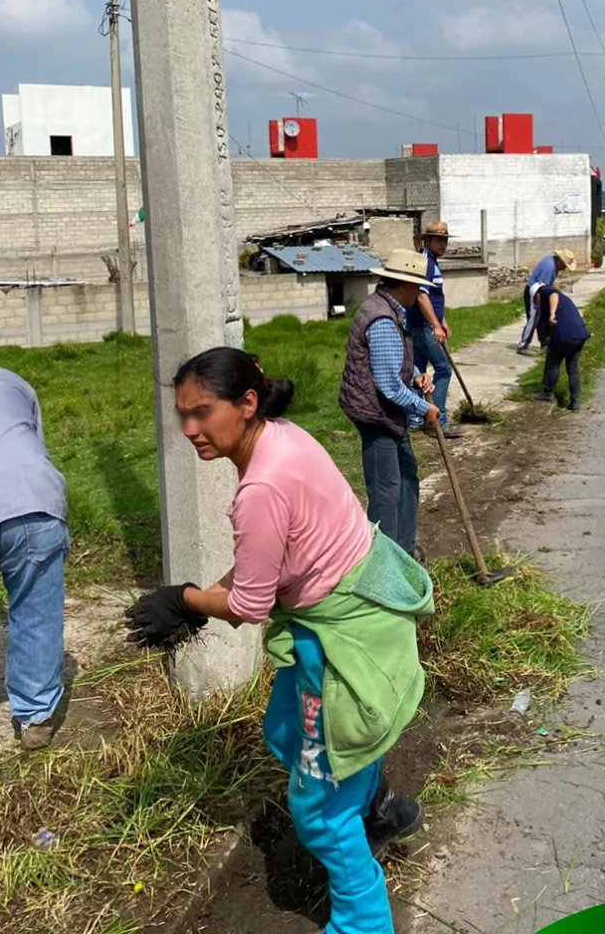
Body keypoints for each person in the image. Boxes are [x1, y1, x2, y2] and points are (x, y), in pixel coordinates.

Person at [125, 347, 433, 934]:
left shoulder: (261, 486)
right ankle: (378, 809)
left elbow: (248, 603)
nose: (190, 429)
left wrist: (186, 599)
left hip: (338, 643)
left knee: (316, 812)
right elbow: (260, 566)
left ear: (245, 403)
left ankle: (363, 922)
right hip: (364, 609)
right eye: (182, 415)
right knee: (288, 730)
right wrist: (194, 596)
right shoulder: (284, 437)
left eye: (202, 413)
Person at [0, 365, 70, 751]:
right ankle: (36, 719)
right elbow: (32, 444)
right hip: (35, 499)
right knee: (35, 612)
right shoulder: (11, 381)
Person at [339, 249, 439, 561]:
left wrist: (419, 377)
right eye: (419, 287)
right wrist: (426, 409)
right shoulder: (382, 318)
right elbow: (388, 385)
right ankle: (381, 564)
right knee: (386, 490)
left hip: (387, 412)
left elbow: (396, 366)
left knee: (407, 476)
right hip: (376, 414)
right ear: (406, 285)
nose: (420, 293)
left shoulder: (391, 309)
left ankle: (404, 550)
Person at [407, 221, 462, 441]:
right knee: (443, 369)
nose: (443, 244)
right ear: (427, 240)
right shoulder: (426, 262)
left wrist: (442, 319)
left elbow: (434, 297)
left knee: (419, 371)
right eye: (438, 240)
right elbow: (421, 296)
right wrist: (436, 325)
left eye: (445, 240)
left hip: (422, 325)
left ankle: (415, 419)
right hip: (423, 326)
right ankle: (437, 420)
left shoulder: (428, 260)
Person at [534, 284, 590, 411]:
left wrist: (552, 314)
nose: (536, 304)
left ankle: (548, 393)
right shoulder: (566, 301)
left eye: (535, 300)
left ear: (537, 294)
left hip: (565, 335)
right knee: (572, 368)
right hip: (580, 334)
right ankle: (575, 402)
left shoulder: (546, 292)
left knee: (553, 362)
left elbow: (554, 295)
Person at [517, 249, 576, 353]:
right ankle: (523, 345)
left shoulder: (550, 261)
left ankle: (545, 343)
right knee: (534, 319)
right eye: (564, 265)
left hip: (541, 292)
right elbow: (540, 287)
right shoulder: (549, 267)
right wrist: (539, 304)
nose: (564, 269)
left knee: (543, 319)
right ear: (560, 261)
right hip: (535, 293)